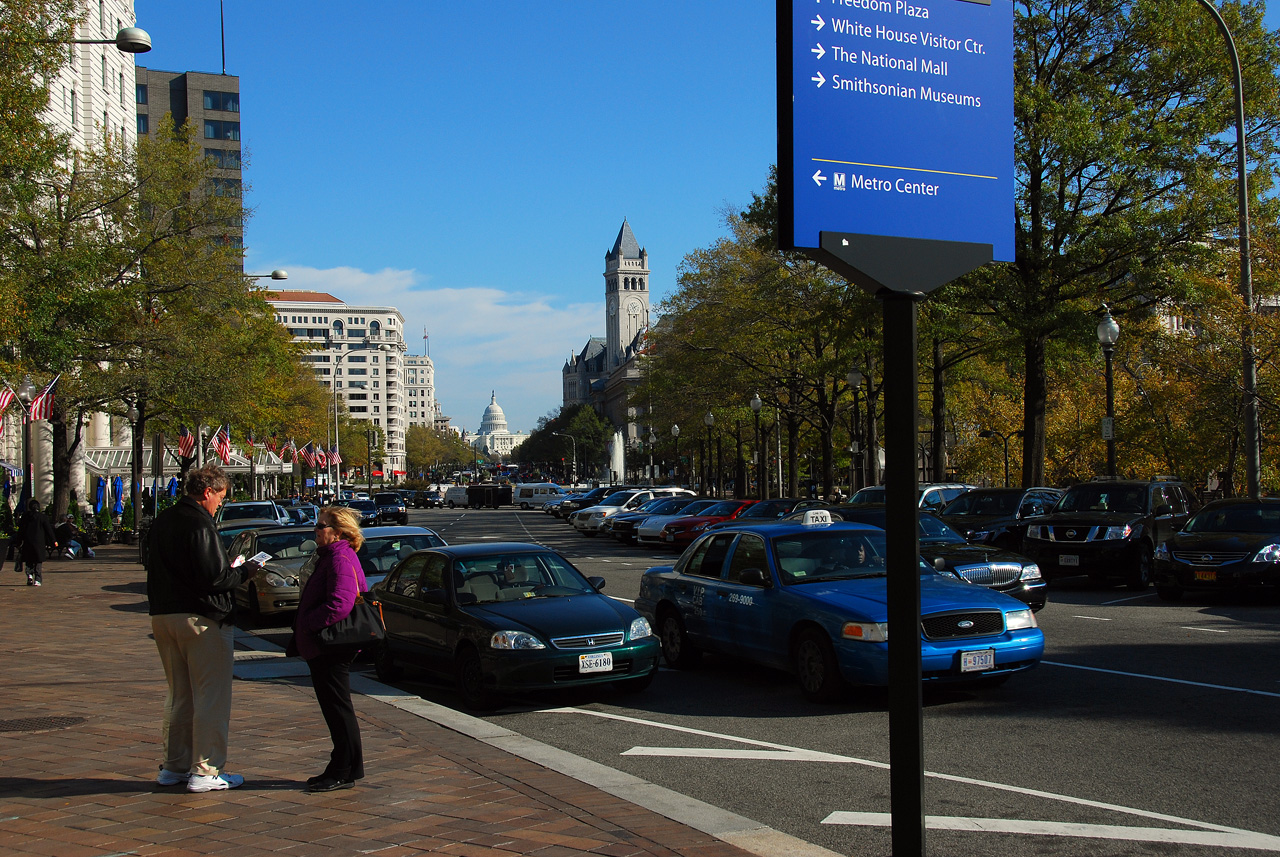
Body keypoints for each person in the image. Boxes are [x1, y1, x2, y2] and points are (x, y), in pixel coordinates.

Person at [145, 464, 258, 793]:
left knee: (179, 695)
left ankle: (174, 766)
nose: (220, 504)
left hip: (164, 616)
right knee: (212, 697)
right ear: (207, 492)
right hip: (202, 619)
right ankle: (206, 770)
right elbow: (215, 578)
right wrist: (244, 571)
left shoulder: (164, 520)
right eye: (220, 497)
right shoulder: (200, 524)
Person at [292, 506, 367, 793]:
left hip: (332, 645)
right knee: (334, 708)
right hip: (324, 646)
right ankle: (342, 764)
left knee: (338, 708)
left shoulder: (339, 557)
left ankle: (344, 769)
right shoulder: (331, 557)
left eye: (320, 526)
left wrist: (308, 623)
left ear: (337, 532)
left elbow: (340, 603)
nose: (316, 530)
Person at [13, 499, 56, 586]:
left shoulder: (25, 517)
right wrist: (54, 541)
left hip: (28, 542)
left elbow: (21, 530)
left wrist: (18, 542)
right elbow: (49, 530)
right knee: (38, 561)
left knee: (29, 560)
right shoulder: (42, 517)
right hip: (39, 542)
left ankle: (29, 575)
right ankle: (37, 579)